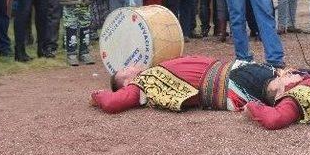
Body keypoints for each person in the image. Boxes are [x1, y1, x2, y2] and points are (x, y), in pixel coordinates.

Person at [89, 56, 273, 114]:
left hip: (232, 70)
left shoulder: (152, 74)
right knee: (282, 87)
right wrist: (97, 95)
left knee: (286, 78)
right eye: (125, 69)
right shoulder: (140, 85)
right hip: (230, 83)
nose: (130, 65)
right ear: (127, 82)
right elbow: (112, 103)